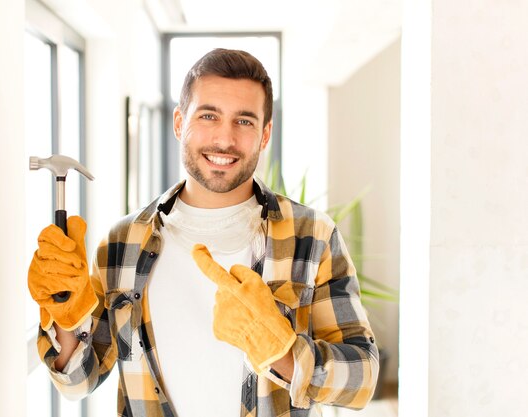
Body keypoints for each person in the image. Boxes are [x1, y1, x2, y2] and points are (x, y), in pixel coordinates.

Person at [28, 48, 379, 417]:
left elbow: (364, 378)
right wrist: (64, 314)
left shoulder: (312, 235)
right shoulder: (121, 243)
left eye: (244, 121)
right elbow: (78, 380)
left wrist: (285, 355)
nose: (224, 139)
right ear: (180, 123)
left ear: (264, 134)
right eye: (208, 115)